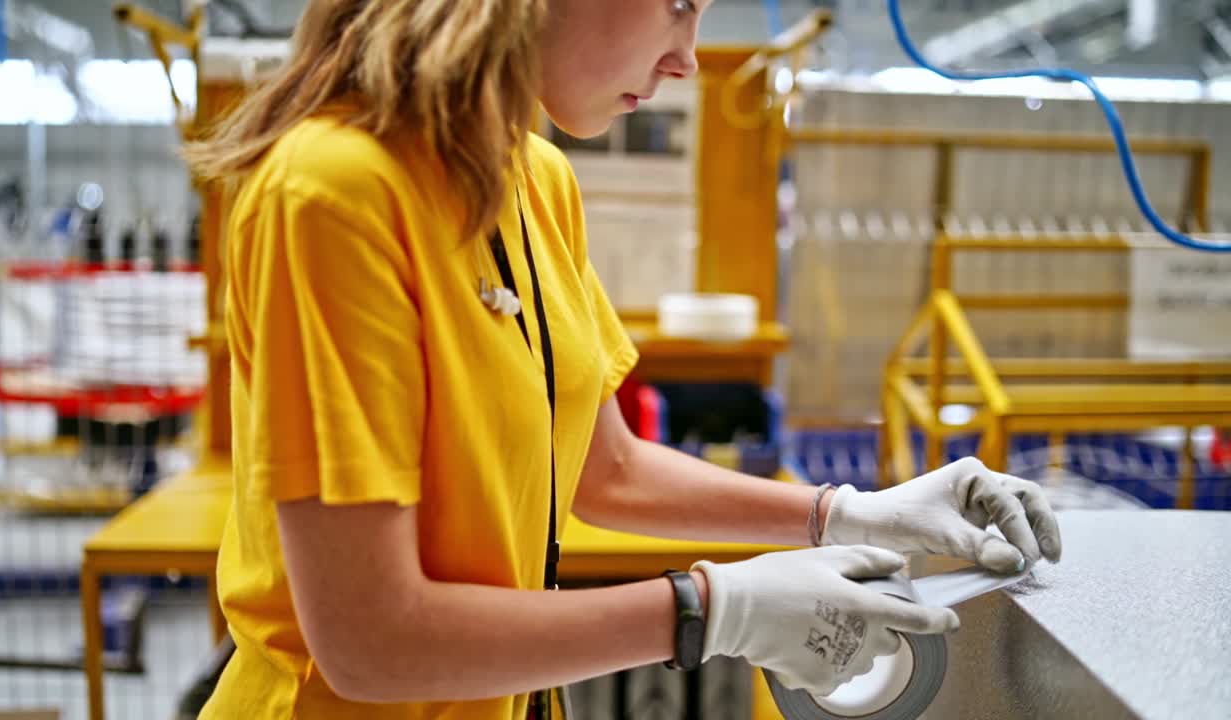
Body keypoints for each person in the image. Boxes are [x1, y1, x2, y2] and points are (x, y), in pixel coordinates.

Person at [184, 1, 1063, 718]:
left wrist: (852, 514)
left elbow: (602, 467)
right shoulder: (333, 190)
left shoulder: (532, 176)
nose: (688, 58)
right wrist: (713, 610)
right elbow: (368, 640)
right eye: (678, 9)